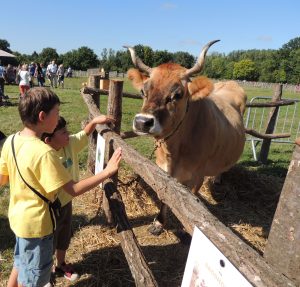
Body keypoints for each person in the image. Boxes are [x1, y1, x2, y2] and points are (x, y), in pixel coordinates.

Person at [0, 87, 122, 287]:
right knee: (33, 279)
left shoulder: (11, 141)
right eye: (56, 113)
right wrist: (107, 172)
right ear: (42, 116)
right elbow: (73, 190)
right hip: (38, 226)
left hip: (18, 219)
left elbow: (2, 179)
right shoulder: (44, 153)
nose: (59, 118)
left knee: (21, 261)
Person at [40, 115, 115, 282]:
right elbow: (73, 189)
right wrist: (106, 172)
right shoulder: (48, 157)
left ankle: (60, 264)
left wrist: (95, 122)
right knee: (49, 242)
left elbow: (84, 134)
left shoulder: (68, 144)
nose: (68, 134)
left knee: (64, 236)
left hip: (66, 203)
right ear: (48, 140)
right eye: (63, 132)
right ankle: (46, 275)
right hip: (50, 208)